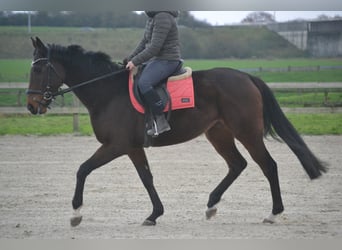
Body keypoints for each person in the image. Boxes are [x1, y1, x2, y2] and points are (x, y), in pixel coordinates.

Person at [125, 11, 181, 136]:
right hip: (157, 60)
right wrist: (130, 58)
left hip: (168, 60)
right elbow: (144, 42)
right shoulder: (152, 17)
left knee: (144, 83)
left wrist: (135, 61)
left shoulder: (163, 17)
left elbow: (155, 47)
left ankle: (161, 121)